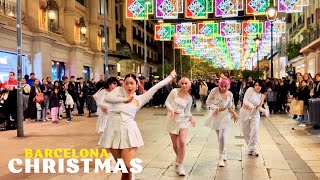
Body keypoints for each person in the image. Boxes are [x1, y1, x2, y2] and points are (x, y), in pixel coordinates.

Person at [99, 70, 177, 180]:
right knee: (123, 168)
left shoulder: (140, 99)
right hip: (112, 131)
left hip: (128, 132)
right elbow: (107, 98)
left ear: (137, 84)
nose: (129, 86)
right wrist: (125, 99)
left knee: (128, 167)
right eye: (127, 83)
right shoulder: (118, 91)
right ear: (123, 84)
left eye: (132, 83)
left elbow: (155, 88)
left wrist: (170, 77)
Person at [165, 77, 196, 176]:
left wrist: (191, 117)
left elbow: (187, 111)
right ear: (179, 84)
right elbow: (167, 102)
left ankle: (181, 165)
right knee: (175, 145)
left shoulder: (190, 98)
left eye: (186, 83)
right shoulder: (174, 91)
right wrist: (171, 109)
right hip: (172, 119)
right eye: (182, 83)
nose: (184, 85)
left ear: (189, 85)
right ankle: (178, 158)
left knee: (182, 142)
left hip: (183, 120)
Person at [204, 78, 238, 167]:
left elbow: (229, 107)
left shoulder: (230, 94)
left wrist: (234, 113)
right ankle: (224, 151)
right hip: (216, 116)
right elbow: (208, 102)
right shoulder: (215, 91)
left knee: (222, 136)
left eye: (225, 86)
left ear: (228, 86)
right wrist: (216, 108)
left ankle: (220, 157)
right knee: (219, 137)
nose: (223, 88)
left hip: (225, 116)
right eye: (221, 86)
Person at [240, 80, 269, 156]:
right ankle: (250, 148)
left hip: (255, 114)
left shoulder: (262, 95)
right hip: (244, 112)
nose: (257, 87)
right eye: (255, 85)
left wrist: (264, 110)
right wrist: (251, 105)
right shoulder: (250, 90)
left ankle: (252, 148)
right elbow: (245, 100)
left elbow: (259, 107)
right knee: (246, 131)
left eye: (259, 85)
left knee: (254, 131)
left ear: (262, 86)